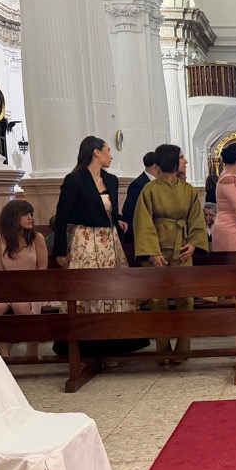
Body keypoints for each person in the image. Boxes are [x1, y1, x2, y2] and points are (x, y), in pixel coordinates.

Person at [53, 136, 147, 358]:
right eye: (108, 150)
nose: (111, 156)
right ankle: (86, 347)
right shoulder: (74, 180)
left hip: (109, 242)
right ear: (96, 152)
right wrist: (59, 251)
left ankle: (114, 345)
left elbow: (110, 210)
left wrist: (118, 221)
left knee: (113, 290)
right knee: (86, 290)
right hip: (85, 240)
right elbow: (62, 216)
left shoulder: (111, 180)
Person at [133, 144, 210, 361]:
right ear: (171, 161)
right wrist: (152, 253)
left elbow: (197, 220)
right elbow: (143, 223)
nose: (185, 161)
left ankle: (183, 348)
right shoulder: (149, 190)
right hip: (156, 253)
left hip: (182, 251)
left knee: (186, 299)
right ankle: (163, 349)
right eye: (182, 157)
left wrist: (193, 244)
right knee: (157, 301)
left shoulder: (188, 190)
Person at [0, 199, 48, 358]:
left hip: (32, 287)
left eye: (31, 214)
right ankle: (3, 348)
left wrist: (29, 288)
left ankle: (32, 346)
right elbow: (0, 272)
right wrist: (6, 290)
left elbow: (42, 270)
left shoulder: (37, 238)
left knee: (21, 306)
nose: (30, 218)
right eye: (25, 214)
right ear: (12, 217)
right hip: (8, 288)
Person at [211, 143, 236, 252]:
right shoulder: (229, 179)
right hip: (230, 230)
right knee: (234, 262)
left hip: (232, 228)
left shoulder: (229, 176)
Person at [121, 151, 158, 243]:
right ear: (157, 166)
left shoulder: (158, 183)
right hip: (141, 234)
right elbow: (129, 211)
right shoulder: (138, 184)